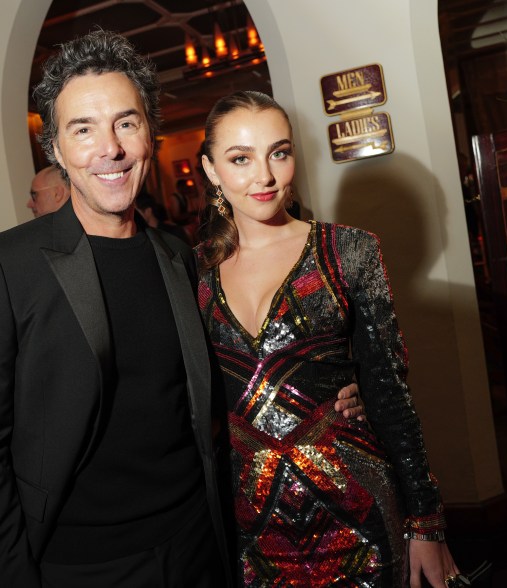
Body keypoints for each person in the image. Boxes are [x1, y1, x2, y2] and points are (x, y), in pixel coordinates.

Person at [0, 31, 362, 587]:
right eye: (83, 129)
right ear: (57, 150)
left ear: (149, 134)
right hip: (79, 563)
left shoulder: (178, 256)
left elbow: (224, 376)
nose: (109, 148)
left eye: (126, 122)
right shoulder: (3, 266)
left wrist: (324, 391)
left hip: (196, 541)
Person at [195, 91, 463, 587]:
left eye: (279, 152)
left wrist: (426, 523)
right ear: (211, 170)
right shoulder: (192, 273)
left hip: (356, 508)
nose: (265, 176)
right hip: (250, 527)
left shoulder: (348, 250)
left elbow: (391, 398)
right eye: (240, 158)